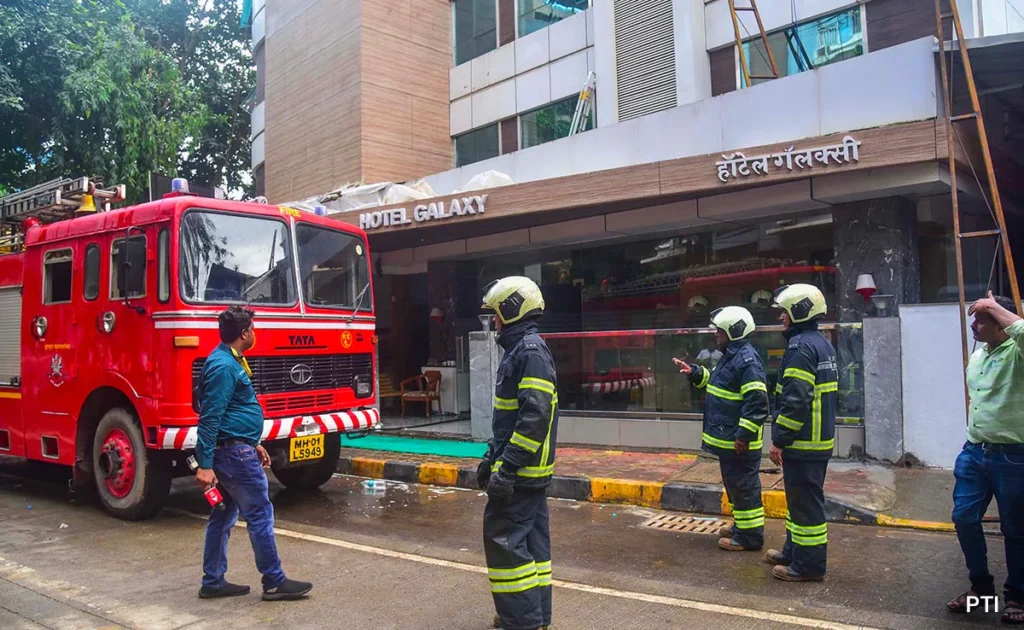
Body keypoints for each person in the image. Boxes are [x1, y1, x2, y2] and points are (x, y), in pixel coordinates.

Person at [194, 306, 312, 601]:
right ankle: (274, 581)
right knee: (260, 513)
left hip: (235, 449)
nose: (255, 334)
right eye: (253, 329)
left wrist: (252, 441)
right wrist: (205, 464)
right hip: (233, 456)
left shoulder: (228, 360)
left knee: (222, 515)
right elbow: (209, 416)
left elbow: (230, 411)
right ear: (244, 333)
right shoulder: (223, 366)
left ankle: (213, 581)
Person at [477, 276, 558, 630]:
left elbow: (534, 417)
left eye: (496, 314)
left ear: (511, 310)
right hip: (528, 473)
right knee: (533, 546)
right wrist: (490, 457)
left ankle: (521, 621)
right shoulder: (525, 349)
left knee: (505, 541)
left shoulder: (528, 352)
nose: (494, 322)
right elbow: (511, 418)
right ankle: (535, 618)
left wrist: (506, 469)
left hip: (522, 473)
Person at [946, 292, 1024, 625]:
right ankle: (982, 590)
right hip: (974, 450)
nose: (975, 326)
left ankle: (1017, 596)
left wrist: (993, 306)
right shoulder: (979, 355)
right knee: (964, 517)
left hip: (1013, 455)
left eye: (982, 320)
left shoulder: (1017, 353)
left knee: (1015, 529)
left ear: (1001, 323)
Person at [675, 306, 770, 552]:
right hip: (730, 441)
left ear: (733, 331)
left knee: (745, 488)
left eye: (720, 330)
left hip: (739, 443)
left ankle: (750, 537)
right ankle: (742, 528)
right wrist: (695, 372)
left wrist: (743, 436)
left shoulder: (746, 361)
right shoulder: (731, 355)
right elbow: (719, 383)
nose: (716, 334)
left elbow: (758, 402)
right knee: (736, 487)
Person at [766, 284, 837, 582]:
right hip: (816, 441)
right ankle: (793, 551)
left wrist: (780, 439)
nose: (781, 317)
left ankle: (807, 566)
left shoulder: (800, 347)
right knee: (799, 502)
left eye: (784, 311)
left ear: (798, 311)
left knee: (806, 506)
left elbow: (795, 401)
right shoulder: (821, 343)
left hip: (803, 442)